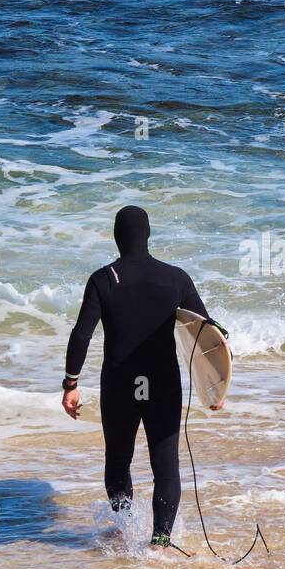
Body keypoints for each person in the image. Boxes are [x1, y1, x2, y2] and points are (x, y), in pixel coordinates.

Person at [60, 206, 218, 550]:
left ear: (117, 237)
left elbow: (81, 335)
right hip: (162, 384)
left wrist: (71, 384)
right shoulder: (177, 278)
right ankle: (160, 542)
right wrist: (215, 386)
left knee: (118, 459)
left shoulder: (102, 279)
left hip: (119, 384)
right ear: (148, 236)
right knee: (166, 465)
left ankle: (123, 528)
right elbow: (208, 335)